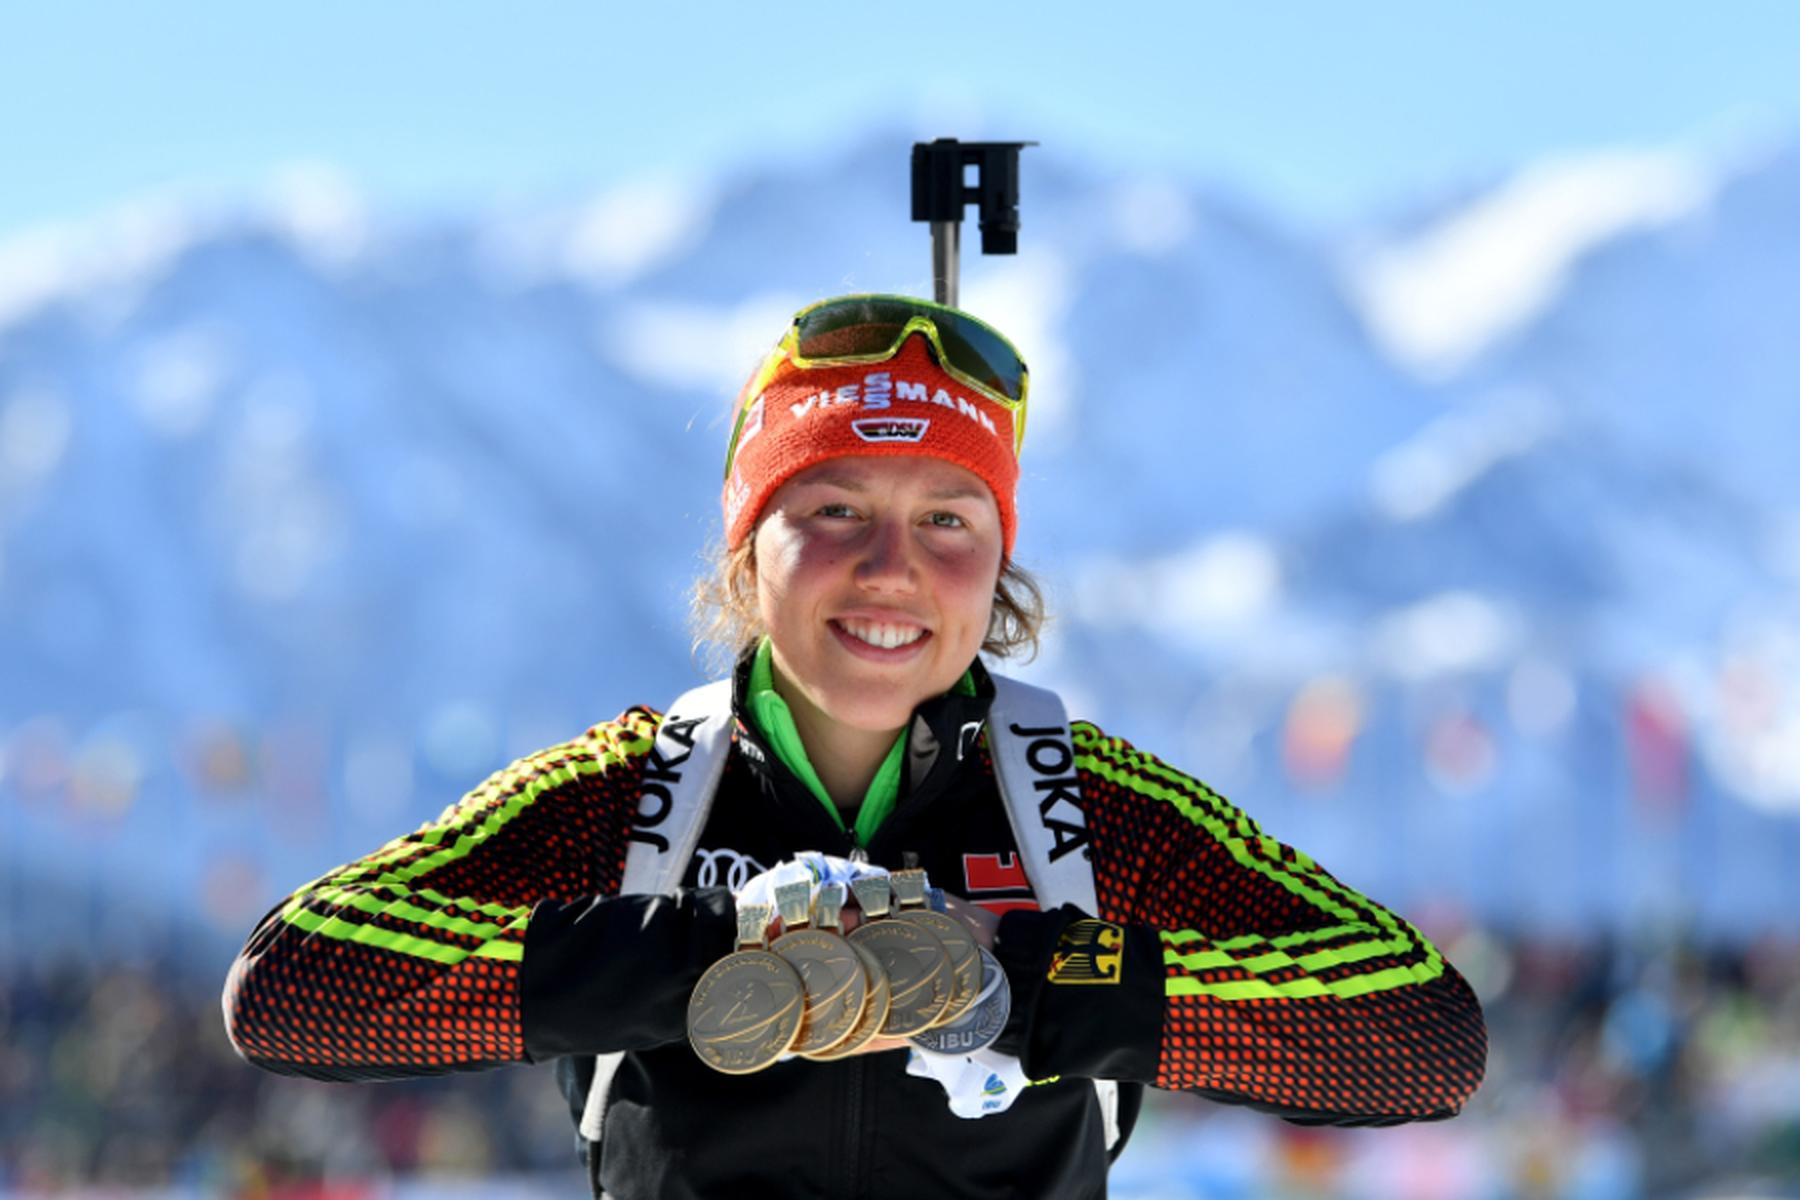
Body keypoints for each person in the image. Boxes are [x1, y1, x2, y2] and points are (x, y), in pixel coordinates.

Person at [223, 294, 1488, 1199]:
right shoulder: (630, 797)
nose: (893, 570)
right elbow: (289, 988)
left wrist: (1034, 981)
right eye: (833, 510)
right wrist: (719, 956)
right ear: (746, 544)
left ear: (998, 564)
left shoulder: (1084, 808)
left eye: (948, 517)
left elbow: (1423, 1035)